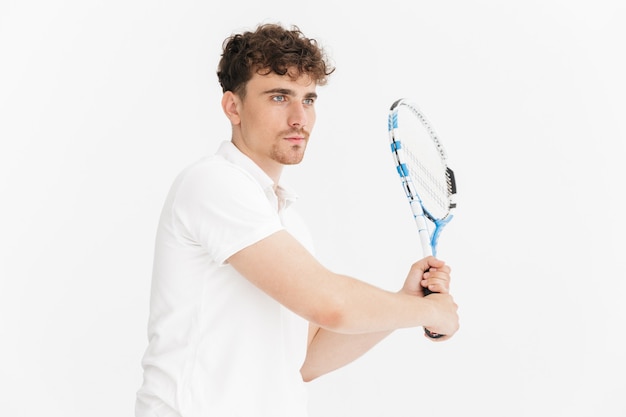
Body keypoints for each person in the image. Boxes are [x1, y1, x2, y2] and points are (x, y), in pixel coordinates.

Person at [135, 22, 459, 417]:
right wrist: (426, 311)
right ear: (232, 107)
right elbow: (330, 304)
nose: (298, 118)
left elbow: (306, 360)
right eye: (278, 97)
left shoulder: (285, 221)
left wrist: (404, 304)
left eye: (308, 99)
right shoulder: (212, 184)